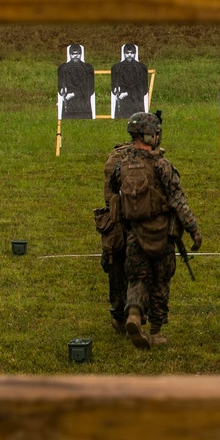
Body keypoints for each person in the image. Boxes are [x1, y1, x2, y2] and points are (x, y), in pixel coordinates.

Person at [109, 112, 202, 350]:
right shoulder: (161, 165)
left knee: (137, 279)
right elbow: (177, 200)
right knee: (160, 282)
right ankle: (156, 331)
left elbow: (113, 188)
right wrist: (193, 229)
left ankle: (133, 314)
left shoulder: (122, 166)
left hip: (135, 235)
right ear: (150, 136)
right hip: (162, 235)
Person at [98, 140, 131, 334]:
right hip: (121, 225)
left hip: (116, 226)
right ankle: (123, 316)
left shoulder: (114, 162)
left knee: (117, 267)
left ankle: (123, 316)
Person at [110, 43, 148, 119]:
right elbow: (114, 86)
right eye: (127, 53)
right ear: (124, 53)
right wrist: (116, 90)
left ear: (135, 53)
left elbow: (144, 90)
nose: (130, 55)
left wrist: (128, 93)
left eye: (132, 53)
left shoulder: (141, 67)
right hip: (122, 104)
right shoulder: (116, 68)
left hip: (136, 103)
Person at [57, 43, 94, 120]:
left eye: (78, 54)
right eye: (73, 54)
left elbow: (90, 89)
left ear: (81, 54)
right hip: (69, 106)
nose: (76, 56)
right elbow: (60, 84)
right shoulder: (63, 68)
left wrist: (74, 94)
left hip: (84, 105)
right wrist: (62, 90)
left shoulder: (87, 68)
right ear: (70, 54)